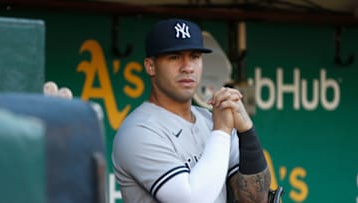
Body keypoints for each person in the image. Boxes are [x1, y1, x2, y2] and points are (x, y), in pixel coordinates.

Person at [112, 18, 271, 203]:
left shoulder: (210, 120)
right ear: (151, 66)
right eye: (175, 57)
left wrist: (246, 131)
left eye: (194, 56)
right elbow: (192, 200)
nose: (187, 67)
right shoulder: (138, 132)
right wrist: (221, 132)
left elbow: (255, 199)